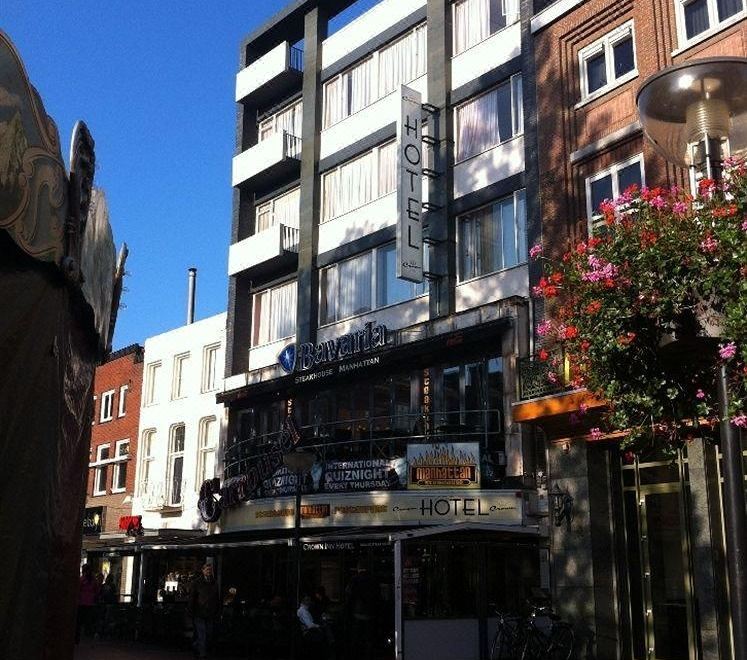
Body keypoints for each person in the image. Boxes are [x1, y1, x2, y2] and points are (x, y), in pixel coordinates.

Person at [189, 563, 220, 659]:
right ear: (203, 571)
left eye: (210, 570)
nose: (209, 572)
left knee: (208, 634)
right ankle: (203, 654)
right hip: (200, 612)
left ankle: (196, 646)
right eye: (207, 570)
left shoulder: (214, 582)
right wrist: (191, 611)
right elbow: (192, 598)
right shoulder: (197, 582)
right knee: (202, 634)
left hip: (210, 612)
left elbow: (216, 598)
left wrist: (217, 610)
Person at [76, 564, 100, 644]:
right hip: (90, 603)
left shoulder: (82, 579)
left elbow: (78, 589)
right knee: (88, 621)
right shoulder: (93, 580)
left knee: (79, 621)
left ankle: (78, 638)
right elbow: (97, 591)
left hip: (82, 602)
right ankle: (88, 636)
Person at [297, 594, 324, 660]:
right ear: (303, 601)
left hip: (309, 631)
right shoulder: (303, 611)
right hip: (307, 632)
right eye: (307, 600)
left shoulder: (306, 610)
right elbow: (309, 625)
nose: (309, 601)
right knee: (322, 635)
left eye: (309, 600)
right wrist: (318, 626)